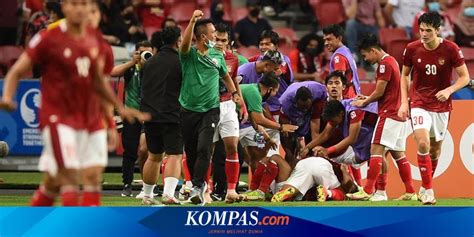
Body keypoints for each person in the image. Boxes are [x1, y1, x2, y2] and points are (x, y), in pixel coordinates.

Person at [0, 0, 147, 206]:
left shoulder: (97, 42)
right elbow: (16, 71)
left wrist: (112, 117)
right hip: (58, 118)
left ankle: (32, 219)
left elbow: (99, 84)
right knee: (68, 177)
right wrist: (7, 97)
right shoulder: (48, 38)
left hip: (91, 119)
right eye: (74, 3)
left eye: (84, 4)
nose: (80, 8)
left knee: (90, 177)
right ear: (65, 7)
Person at [398, 12, 470, 205]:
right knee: (422, 144)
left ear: (438, 30)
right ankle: (429, 190)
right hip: (419, 102)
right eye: (421, 30)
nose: (424, 34)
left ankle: (424, 186)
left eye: (428, 30)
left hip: (441, 105)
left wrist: (449, 90)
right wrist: (405, 102)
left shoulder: (451, 49)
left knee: (435, 151)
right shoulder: (412, 49)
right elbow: (404, 76)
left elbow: (464, 77)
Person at [179, 10, 241, 205]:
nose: (216, 36)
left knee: (205, 148)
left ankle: (199, 187)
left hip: (211, 109)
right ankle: (195, 184)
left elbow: (224, 75)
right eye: (213, 33)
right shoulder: (188, 55)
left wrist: (235, 93)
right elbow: (185, 44)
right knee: (191, 151)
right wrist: (192, 20)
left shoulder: (217, 55)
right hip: (188, 109)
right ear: (203, 37)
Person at [345, 34, 417, 201]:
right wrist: (367, 98)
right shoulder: (392, 61)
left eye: (365, 55)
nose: (365, 59)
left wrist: (365, 102)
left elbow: (380, 91)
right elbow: (385, 92)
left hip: (389, 114)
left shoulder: (384, 64)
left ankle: (369, 190)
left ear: (373, 51)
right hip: (399, 114)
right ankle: (410, 191)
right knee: (398, 154)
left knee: (376, 150)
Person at [140, 26, 183, 205]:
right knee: (174, 154)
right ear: (178, 41)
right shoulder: (181, 61)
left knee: (153, 155)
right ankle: (168, 194)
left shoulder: (149, 62)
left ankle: (147, 195)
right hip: (172, 114)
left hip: (150, 115)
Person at [238, 72, 298, 201]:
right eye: (275, 91)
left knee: (258, 155)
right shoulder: (254, 93)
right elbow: (259, 119)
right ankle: (214, 187)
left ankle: (255, 189)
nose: (275, 95)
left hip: (247, 127)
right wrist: (281, 127)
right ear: (270, 89)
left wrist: (267, 138)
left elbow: (255, 124)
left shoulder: (255, 92)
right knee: (223, 154)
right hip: (234, 125)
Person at [110, 41, 153, 197]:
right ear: (135, 52)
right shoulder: (130, 67)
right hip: (131, 114)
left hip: (150, 115)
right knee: (130, 152)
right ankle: (127, 184)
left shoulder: (155, 67)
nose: (144, 55)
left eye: (148, 53)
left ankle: (147, 186)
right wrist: (132, 62)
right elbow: (113, 72)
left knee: (147, 151)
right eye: (141, 52)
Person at [211, 23, 247, 203]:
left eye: (223, 40)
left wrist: (242, 105)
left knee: (232, 147)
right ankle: (205, 190)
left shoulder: (233, 59)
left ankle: (231, 190)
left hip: (227, 106)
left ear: (229, 42)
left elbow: (233, 81)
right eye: (216, 39)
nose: (219, 43)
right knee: (206, 151)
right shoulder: (201, 57)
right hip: (207, 106)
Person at [278, 81, 327, 168]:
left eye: (306, 107)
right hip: (291, 118)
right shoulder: (286, 102)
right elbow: (284, 127)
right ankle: (289, 172)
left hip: (316, 105)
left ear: (311, 100)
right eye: (302, 107)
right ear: (295, 102)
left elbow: (315, 127)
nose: (304, 110)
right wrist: (292, 147)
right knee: (290, 150)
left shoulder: (319, 92)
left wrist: (313, 147)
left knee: (313, 147)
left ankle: (314, 169)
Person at [271, 156, 358, 202]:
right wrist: (345, 171)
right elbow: (349, 184)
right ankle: (327, 192)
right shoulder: (340, 170)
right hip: (322, 166)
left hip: (305, 163)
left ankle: (290, 191)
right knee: (342, 195)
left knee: (290, 194)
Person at [323, 24, 361, 99]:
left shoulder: (339, 57)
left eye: (329, 39)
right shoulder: (346, 51)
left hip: (345, 98)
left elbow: (337, 83)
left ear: (339, 38)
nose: (326, 43)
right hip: (352, 95)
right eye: (324, 40)